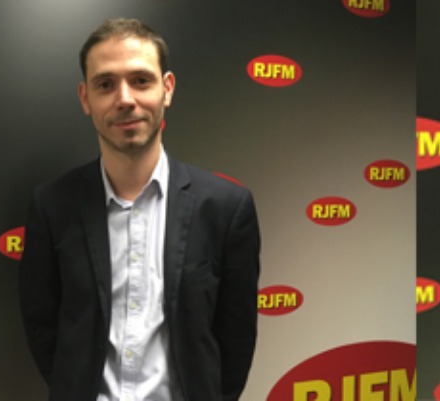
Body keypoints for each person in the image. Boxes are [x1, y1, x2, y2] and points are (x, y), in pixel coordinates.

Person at [18, 18, 260, 401]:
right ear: (85, 98)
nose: (125, 99)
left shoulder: (226, 209)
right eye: (105, 84)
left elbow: (235, 341)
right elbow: (42, 328)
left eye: (141, 80)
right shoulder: (52, 207)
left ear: (167, 89)